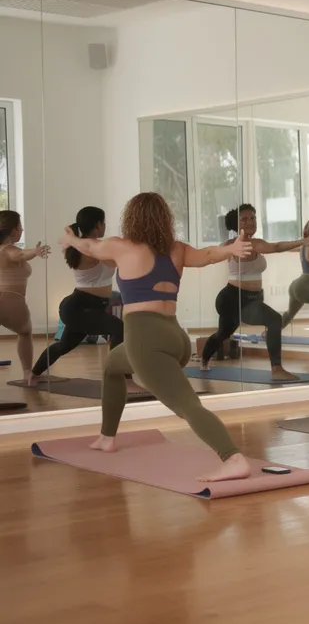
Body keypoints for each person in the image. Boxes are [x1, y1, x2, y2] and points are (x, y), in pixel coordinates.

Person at [63, 192, 256, 482]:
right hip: (175, 337)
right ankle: (107, 437)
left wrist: (71, 239)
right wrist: (231, 250)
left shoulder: (122, 247)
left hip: (145, 338)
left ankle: (232, 457)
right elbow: (208, 255)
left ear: (131, 218)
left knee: (187, 406)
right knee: (112, 367)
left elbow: (89, 245)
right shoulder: (176, 249)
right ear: (165, 219)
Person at [199, 204, 304, 382]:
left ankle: (203, 361)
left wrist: (300, 244)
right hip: (234, 298)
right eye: (244, 219)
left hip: (250, 298)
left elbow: (276, 246)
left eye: (253, 218)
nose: (250, 221)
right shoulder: (236, 245)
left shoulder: (254, 242)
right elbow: (276, 246)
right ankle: (276, 369)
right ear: (236, 223)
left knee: (223, 333)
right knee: (274, 320)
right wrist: (303, 241)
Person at [34, 207, 124, 379]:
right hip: (81, 307)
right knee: (119, 328)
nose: (104, 226)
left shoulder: (84, 246)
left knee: (64, 346)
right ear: (98, 225)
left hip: (87, 308)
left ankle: (34, 374)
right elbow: (117, 255)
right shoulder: (90, 250)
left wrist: (73, 239)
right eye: (103, 223)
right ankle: (120, 377)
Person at [0, 210, 50, 385]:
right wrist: (35, 252)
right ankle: (28, 373)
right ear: (13, 230)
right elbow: (19, 255)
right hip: (10, 298)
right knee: (25, 332)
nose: (22, 230)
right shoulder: (8, 249)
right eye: (20, 227)